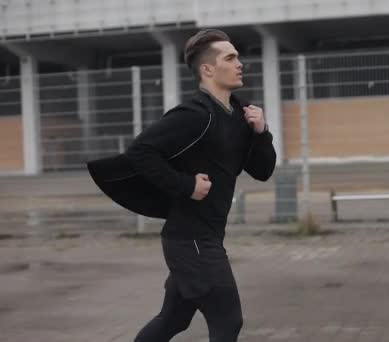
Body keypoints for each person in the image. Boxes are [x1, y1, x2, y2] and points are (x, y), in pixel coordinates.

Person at [87, 29, 276, 342]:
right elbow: (140, 151)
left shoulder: (238, 116)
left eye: (238, 57)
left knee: (173, 320)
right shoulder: (194, 115)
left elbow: (263, 170)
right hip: (191, 240)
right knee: (228, 321)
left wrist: (261, 132)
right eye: (230, 58)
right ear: (207, 69)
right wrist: (185, 185)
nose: (239, 63)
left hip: (205, 237)